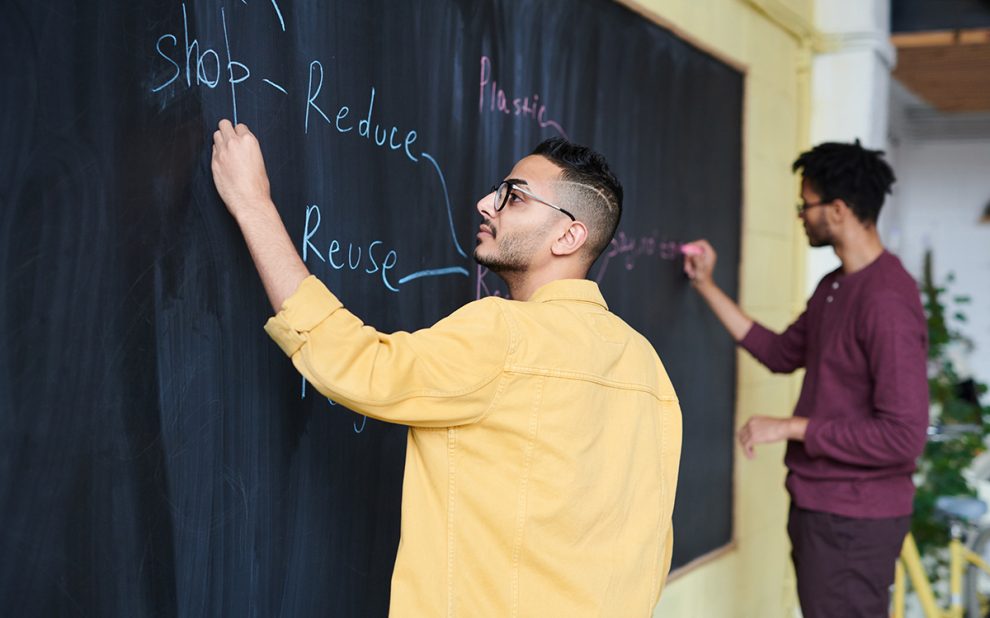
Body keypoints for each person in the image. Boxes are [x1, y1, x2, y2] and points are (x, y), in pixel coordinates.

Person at [210, 119, 682, 616]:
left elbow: (356, 364)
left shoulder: (505, 332)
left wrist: (254, 205)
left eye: (514, 196)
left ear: (568, 236)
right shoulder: (649, 369)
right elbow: (650, 545)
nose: (485, 204)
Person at [683, 140, 928, 617]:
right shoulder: (835, 286)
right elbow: (779, 353)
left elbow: (903, 436)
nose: (800, 216)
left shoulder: (887, 300)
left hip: (854, 520)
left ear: (837, 210)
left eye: (806, 204)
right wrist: (706, 285)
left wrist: (791, 427)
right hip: (821, 507)